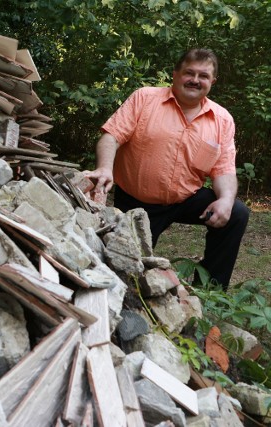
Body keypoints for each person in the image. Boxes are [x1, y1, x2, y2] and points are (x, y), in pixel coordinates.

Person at [85, 48, 249, 289]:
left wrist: (225, 199)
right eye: (189, 73)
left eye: (203, 76)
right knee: (123, 271)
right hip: (136, 203)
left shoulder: (222, 119)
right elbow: (111, 136)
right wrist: (105, 169)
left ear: (212, 81)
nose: (195, 80)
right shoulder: (145, 99)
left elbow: (224, 168)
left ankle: (210, 291)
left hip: (185, 200)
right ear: (175, 74)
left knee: (236, 212)